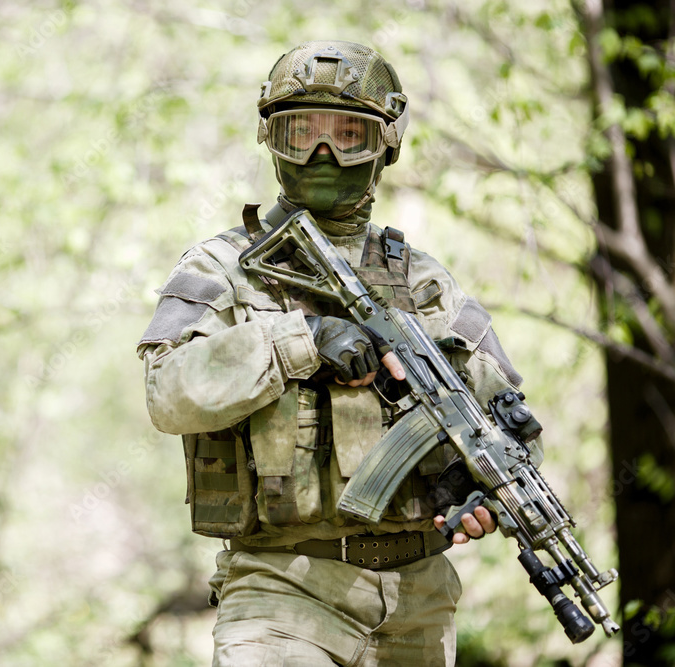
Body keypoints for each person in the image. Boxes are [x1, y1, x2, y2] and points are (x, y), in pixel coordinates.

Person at [137, 40, 538, 666]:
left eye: (348, 134)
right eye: (302, 134)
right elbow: (167, 392)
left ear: (385, 145)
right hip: (281, 594)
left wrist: (484, 492)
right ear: (272, 140)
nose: (323, 153)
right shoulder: (223, 268)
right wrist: (300, 342)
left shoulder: (425, 285)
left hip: (420, 602)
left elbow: (509, 419)